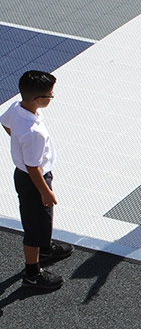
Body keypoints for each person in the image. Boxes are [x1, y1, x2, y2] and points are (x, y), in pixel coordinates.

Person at [1, 70, 73, 291]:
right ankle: (32, 273)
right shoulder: (34, 133)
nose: (51, 98)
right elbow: (33, 167)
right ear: (37, 100)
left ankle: (45, 248)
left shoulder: (16, 108)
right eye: (50, 96)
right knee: (34, 227)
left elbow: (4, 122)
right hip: (35, 180)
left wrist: (19, 141)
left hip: (25, 177)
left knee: (41, 221)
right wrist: (45, 191)